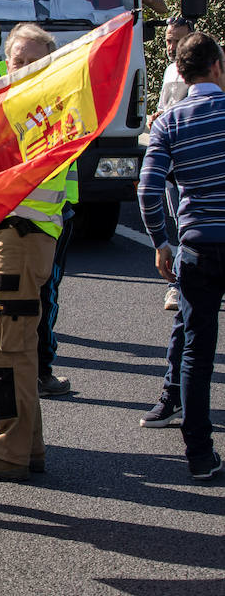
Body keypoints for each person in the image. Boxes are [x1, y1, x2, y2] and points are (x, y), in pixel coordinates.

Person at [0, 23, 71, 481]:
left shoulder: (43, 111)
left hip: (20, 239)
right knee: (13, 348)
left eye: (33, 60)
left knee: (7, 351)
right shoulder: (22, 105)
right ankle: (29, 445)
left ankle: (8, 450)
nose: (22, 68)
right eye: (17, 60)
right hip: (10, 237)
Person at [137, 31, 225, 481]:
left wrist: (161, 241)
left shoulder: (169, 121)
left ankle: (199, 454)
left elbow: (149, 188)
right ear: (217, 67)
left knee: (197, 348)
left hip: (195, 245)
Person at [153, 15, 193, 313]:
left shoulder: (204, 71)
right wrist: (157, 118)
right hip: (171, 160)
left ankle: (177, 287)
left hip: (192, 161)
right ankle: (180, 285)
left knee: (187, 225)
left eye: (178, 40)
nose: (171, 46)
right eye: (168, 40)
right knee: (179, 224)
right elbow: (165, 107)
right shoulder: (168, 70)